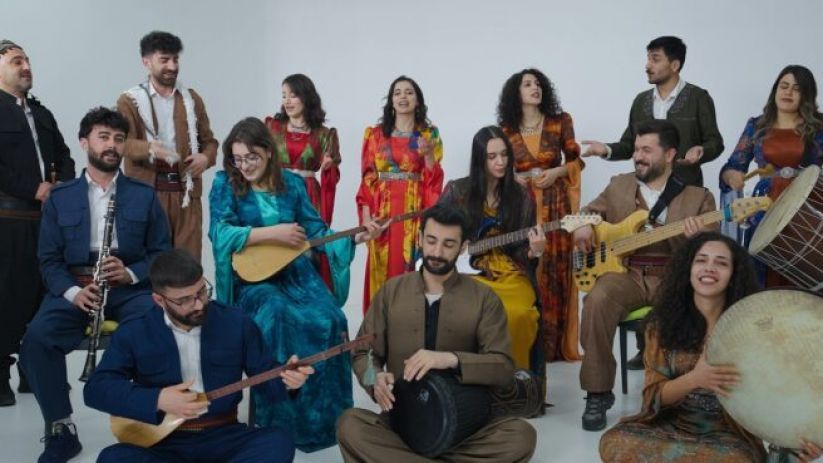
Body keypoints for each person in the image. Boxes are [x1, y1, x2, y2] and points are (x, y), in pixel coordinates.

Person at [209, 117, 384, 452]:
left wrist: (355, 238)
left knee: (332, 318)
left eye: (251, 157)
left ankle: (329, 423)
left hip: (297, 274)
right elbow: (220, 232)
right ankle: (278, 426)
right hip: (253, 280)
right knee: (276, 314)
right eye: (238, 158)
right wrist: (272, 233)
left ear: (268, 152)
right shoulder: (225, 183)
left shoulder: (291, 183)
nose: (244, 166)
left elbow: (316, 229)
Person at [19, 107, 170, 463]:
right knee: (36, 339)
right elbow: (49, 260)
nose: (112, 145)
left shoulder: (143, 195)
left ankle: (146, 421)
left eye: (118, 139)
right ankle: (60, 428)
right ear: (84, 142)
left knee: (154, 327)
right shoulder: (60, 197)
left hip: (129, 288)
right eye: (103, 137)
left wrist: (130, 273)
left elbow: (161, 252)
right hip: (76, 286)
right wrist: (74, 293)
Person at [337, 204, 537, 463]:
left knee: (521, 436)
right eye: (431, 241)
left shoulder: (484, 298)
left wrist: (451, 359)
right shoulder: (391, 292)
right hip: (403, 425)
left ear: (463, 247)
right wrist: (374, 379)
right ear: (420, 238)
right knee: (349, 425)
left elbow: (502, 366)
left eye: (448, 244)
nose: (437, 252)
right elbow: (363, 353)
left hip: (466, 429)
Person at [600, 232, 823, 463]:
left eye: (721, 263)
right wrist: (695, 379)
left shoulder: (754, 327)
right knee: (613, 441)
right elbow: (652, 397)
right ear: (688, 269)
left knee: (737, 459)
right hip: (670, 427)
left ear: (733, 274)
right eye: (701, 260)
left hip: (727, 436)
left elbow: (781, 393)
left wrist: (799, 440)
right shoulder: (661, 325)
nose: (709, 268)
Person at [84, 249, 313, 463]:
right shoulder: (134, 330)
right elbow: (97, 389)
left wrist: (287, 381)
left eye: (201, 292)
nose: (198, 305)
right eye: (184, 300)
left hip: (224, 434)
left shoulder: (236, 322)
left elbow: (265, 375)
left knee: (278, 442)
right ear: (159, 300)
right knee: (113, 458)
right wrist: (158, 399)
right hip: (163, 442)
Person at [572, 119, 715, 431]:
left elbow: (713, 252)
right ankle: (597, 392)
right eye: (636, 149)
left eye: (647, 150)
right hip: (627, 273)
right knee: (597, 300)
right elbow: (585, 213)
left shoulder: (699, 197)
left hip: (673, 279)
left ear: (670, 154)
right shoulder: (618, 185)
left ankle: (679, 395)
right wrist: (582, 224)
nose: (638, 156)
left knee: (686, 312)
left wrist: (699, 239)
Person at [0, 39, 75, 406]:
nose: (26, 66)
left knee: (43, 295)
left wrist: (63, 188)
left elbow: (65, 156)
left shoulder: (42, 114)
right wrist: (33, 188)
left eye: (27, 60)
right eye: (16, 61)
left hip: (45, 222)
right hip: (7, 221)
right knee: (6, 296)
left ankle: (35, 371)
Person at [437, 126, 544, 372]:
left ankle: (515, 383)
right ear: (480, 159)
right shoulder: (457, 191)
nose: (500, 162)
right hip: (467, 273)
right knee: (472, 314)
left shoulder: (522, 196)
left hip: (510, 272)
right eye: (492, 156)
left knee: (519, 314)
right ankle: (477, 379)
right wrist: (455, 243)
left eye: (504, 155)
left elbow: (521, 249)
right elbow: (435, 227)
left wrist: (534, 251)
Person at [497, 68, 584, 362]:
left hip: (556, 204)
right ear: (516, 93)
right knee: (526, 264)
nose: (535, 88)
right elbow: (498, 168)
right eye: (527, 84)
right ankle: (528, 344)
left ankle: (555, 345)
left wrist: (557, 172)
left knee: (556, 269)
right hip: (522, 206)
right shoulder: (505, 130)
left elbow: (576, 162)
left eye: (538, 84)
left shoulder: (560, 121)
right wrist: (513, 179)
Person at [117, 30, 218, 262]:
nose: (172, 66)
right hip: (147, 192)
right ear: (146, 62)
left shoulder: (191, 99)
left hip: (186, 193)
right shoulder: (130, 100)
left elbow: (209, 142)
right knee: (150, 263)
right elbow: (121, 143)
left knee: (187, 263)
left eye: (175, 59)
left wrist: (205, 158)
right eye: (164, 60)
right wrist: (150, 148)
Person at [720, 64, 823, 287]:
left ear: (806, 95)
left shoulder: (819, 127)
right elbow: (732, 166)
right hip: (765, 206)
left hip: (808, 207)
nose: (788, 92)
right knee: (763, 275)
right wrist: (732, 176)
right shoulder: (756, 126)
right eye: (783, 86)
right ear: (775, 90)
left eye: (796, 88)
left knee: (808, 271)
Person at [582, 36, 724, 188]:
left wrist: (702, 150)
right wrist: (605, 149)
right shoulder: (641, 100)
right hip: (645, 189)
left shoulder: (698, 98)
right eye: (648, 59)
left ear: (675, 65)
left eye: (655, 60)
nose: (648, 65)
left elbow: (715, 142)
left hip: (686, 189)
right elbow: (629, 145)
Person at [356, 75, 444, 312]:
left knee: (410, 269)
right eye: (397, 93)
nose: (403, 97)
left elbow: (433, 179)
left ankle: (409, 326)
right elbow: (367, 178)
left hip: (412, 213)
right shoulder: (375, 135)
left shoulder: (427, 135)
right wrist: (366, 220)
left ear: (418, 101)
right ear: (391, 101)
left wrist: (428, 155)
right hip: (382, 213)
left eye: (409, 92)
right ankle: (378, 329)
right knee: (381, 270)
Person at [265, 73, 341, 294]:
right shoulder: (272, 127)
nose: (287, 101)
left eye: (293, 95)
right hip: (278, 191)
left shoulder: (324, 134)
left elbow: (332, 174)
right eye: (284, 96)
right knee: (278, 244)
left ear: (306, 97)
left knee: (308, 246)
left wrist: (328, 167)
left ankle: (309, 294)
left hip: (308, 194)